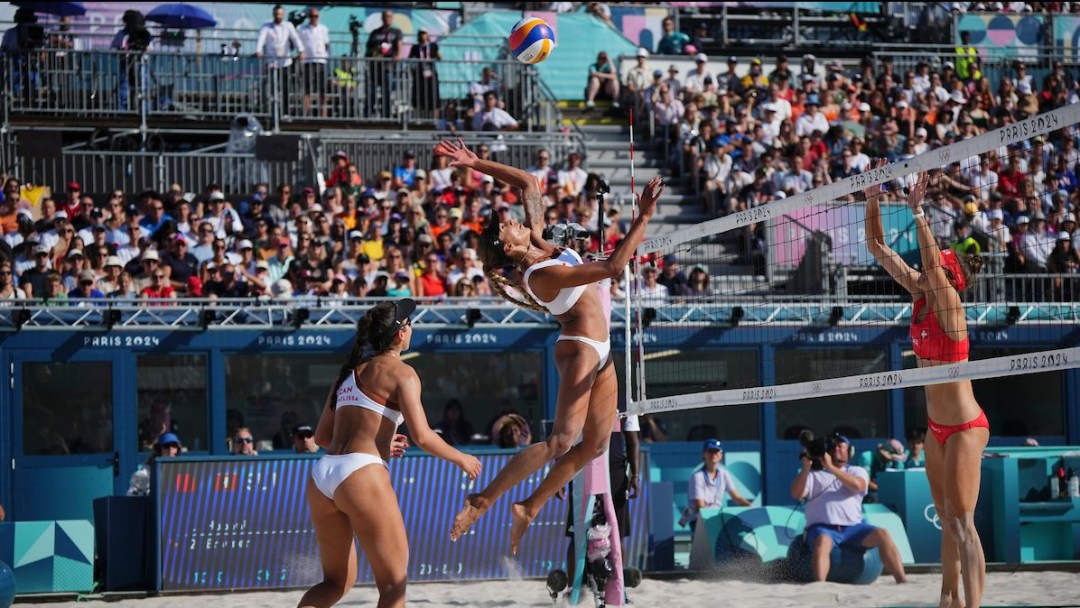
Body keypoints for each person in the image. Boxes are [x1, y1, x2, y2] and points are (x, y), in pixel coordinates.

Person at [435, 137, 664, 554]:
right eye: (508, 225)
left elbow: (528, 181)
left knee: (596, 445)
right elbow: (613, 267)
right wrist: (644, 216)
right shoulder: (539, 275)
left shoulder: (538, 241)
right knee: (561, 442)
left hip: (601, 347)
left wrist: (475, 162)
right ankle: (482, 500)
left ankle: (529, 505)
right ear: (509, 247)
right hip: (579, 348)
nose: (514, 220)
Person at [298, 299, 480, 608]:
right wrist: (461, 458)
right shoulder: (403, 373)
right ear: (399, 334)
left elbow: (323, 437)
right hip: (361, 473)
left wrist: (381, 439)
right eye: (409, 322)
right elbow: (422, 436)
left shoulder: (347, 372)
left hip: (324, 475)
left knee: (335, 583)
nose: (413, 327)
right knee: (393, 586)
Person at [865, 165, 986, 607]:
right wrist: (871, 197)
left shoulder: (951, 308)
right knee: (948, 522)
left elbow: (933, 266)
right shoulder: (919, 298)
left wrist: (918, 215)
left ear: (949, 281)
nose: (920, 271)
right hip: (937, 428)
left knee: (964, 525)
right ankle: (946, 599)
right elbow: (877, 247)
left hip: (966, 427)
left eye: (935, 270)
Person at [790, 433, 907, 584]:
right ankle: (820, 585)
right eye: (834, 446)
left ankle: (902, 580)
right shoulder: (814, 475)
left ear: (849, 451)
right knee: (823, 541)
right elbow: (796, 494)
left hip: (853, 529)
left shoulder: (856, 471)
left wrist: (831, 467)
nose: (837, 448)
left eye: (841, 446)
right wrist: (806, 467)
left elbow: (858, 486)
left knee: (882, 533)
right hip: (823, 528)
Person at [680, 439, 751, 532]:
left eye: (716, 451)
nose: (713, 454)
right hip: (699, 520)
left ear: (721, 455)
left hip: (716, 519)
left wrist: (750, 507)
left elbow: (736, 497)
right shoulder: (697, 476)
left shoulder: (724, 473)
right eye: (710, 451)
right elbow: (700, 506)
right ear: (703, 454)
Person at [128, 432, 181, 496]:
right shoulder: (145, 473)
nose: (170, 449)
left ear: (177, 449)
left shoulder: (183, 469)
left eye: (174, 445)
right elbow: (131, 495)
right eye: (166, 446)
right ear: (159, 450)